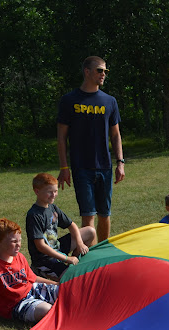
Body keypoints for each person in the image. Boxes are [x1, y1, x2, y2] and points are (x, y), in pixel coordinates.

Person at [57, 55, 125, 242]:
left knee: (105, 214)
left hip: (105, 166)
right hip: (81, 167)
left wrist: (120, 162)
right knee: (88, 217)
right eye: (99, 70)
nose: (104, 74)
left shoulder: (110, 101)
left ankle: (103, 252)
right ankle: (91, 256)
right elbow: (61, 137)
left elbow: (116, 135)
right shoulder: (69, 100)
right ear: (87, 72)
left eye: (105, 71)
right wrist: (64, 167)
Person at [0, 218, 59, 327]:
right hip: (15, 305)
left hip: (32, 290)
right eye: (14, 241)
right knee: (47, 310)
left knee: (65, 291)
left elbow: (33, 278)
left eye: (19, 240)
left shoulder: (19, 256)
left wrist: (56, 284)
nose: (19, 245)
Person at [26, 172, 97, 280]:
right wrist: (66, 258)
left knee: (90, 232)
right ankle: (40, 270)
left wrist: (80, 243)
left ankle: (72, 264)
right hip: (44, 258)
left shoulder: (52, 207)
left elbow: (72, 225)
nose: (53, 195)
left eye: (55, 191)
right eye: (49, 192)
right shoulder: (34, 215)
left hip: (57, 247)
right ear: (37, 191)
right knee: (70, 279)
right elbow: (40, 246)